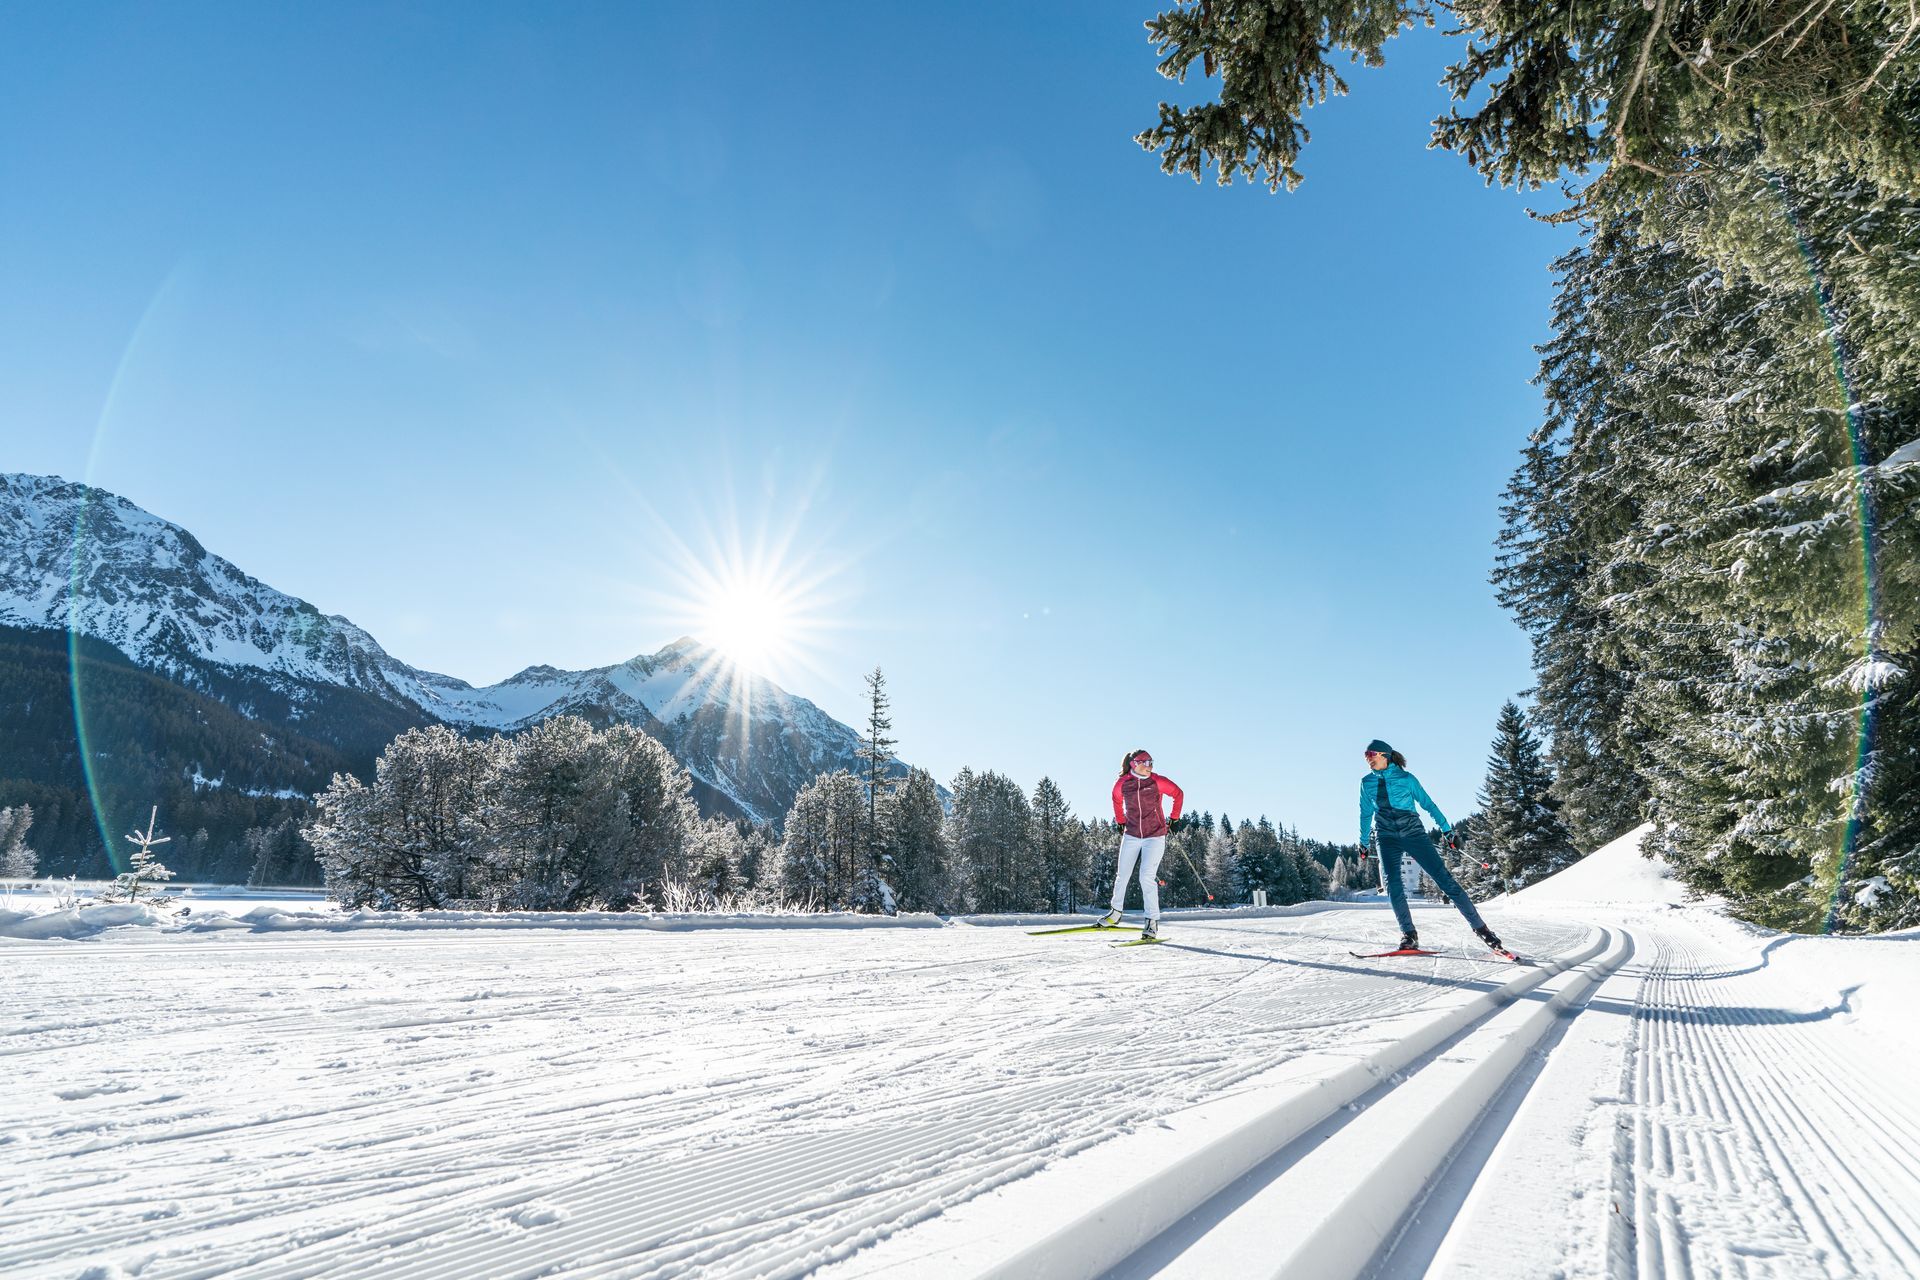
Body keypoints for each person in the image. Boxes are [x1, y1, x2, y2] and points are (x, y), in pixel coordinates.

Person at [1359, 739, 1503, 954]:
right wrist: (1362, 843)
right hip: (1386, 835)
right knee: (1393, 885)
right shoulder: (1366, 782)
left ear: (1384, 755)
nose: (1367, 759)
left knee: (1444, 880)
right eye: (1365, 756)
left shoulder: (1407, 779)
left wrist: (1447, 831)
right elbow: (1365, 813)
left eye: (1371, 754)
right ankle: (1409, 934)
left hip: (1413, 832)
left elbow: (1428, 805)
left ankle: (1482, 929)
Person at [1098, 749, 1184, 940]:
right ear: (1133, 764)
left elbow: (1178, 794)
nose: (1149, 766)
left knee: (1146, 876)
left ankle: (1151, 922)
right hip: (1132, 835)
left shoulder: (1157, 781)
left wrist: (1174, 818)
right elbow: (1115, 799)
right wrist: (1120, 820)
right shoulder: (1123, 783)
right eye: (1145, 762)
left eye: (1151, 762)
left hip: (1155, 835)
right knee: (1122, 875)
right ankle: (1115, 914)